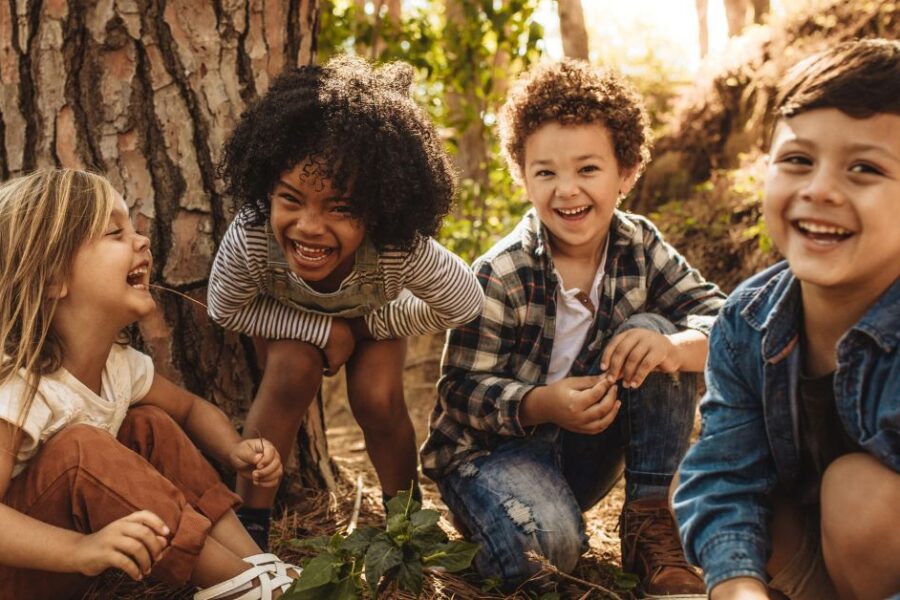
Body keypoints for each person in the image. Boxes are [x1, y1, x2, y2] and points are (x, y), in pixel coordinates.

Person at [420, 59, 725, 596]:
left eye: (587, 169)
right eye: (546, 173)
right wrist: (542, 403)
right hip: (490, 456)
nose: (567, 190)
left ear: (626, 172)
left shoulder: (639, 245)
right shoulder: (501, 272)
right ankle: (511, 524)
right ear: (523, 177)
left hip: (585, 452)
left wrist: (674, 347)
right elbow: (460, 391)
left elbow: (728, 321)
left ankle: (649, 519)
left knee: (654, 332)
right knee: (548, 555)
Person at [207, 55, 484, 549]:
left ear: (378, 209)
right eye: (291, 199)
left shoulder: (398, 247)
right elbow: (224, 308)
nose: (309, 226)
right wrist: (322, 330)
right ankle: (250, 529)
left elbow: (462, 303)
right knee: (291, 370)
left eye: (340, 207)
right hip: (289, 321)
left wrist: (368, 326)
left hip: (373, 317)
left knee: (377, 398)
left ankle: (407, 523)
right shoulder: (251, 235)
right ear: (268, 188)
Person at [0, 169, 298, 600]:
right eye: (114, 233)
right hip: (17, 576)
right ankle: (240, 586)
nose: (142, 241)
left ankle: (256, 566)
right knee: (81, 449)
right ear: (52, 278)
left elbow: (190, 409)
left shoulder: (120, 367)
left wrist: (232, 450)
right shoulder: (19, 387)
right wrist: (79, 550)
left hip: (64, 566)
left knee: (149, 424)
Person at [674, 39, 900, 600]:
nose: (819, 189)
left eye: (865, 168)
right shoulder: (747, 320)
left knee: (857, 496)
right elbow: (725, 479)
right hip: (820, 551)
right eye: (798, 160)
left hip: (874, 538)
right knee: (712, 478)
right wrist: (737, 588)